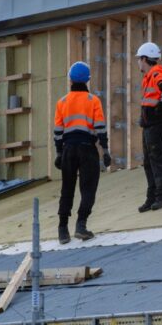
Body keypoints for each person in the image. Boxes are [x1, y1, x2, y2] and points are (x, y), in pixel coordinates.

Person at [52, 61, 112, 244]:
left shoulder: (62, 102)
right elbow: (100, 127)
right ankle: (81, 225)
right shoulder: (93, 101)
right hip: (87, 148)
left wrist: (59, 153)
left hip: (69, 150)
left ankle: (63, 230)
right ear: (88, 80)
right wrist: (105, 150)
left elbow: (57, 131)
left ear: (70, 79)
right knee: (88, 189)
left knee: (67, 189)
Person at [136, 42, 162, 212]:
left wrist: (160, 111)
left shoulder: (157, 74)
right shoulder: (149, 76)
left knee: (157, 160)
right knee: (148, 162)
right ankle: (152, 197)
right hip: (149, 125)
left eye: (139, 59)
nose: (138, 62)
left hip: (155, 125)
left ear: (145, 59)